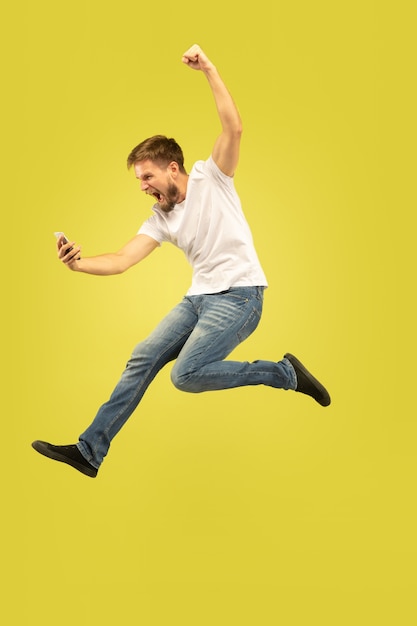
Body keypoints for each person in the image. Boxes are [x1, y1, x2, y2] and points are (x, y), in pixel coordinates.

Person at [32, 44, 331, 478]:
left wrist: (208, 68)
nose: (143, 187)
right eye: (139, 181)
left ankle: (284, 373)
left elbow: (235, 128)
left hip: (240, 298)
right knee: (142, 358)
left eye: (147, 177)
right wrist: (78, 264)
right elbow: (120, 260)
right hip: (198, 301)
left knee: (186, 375)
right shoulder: (161, 217)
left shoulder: (215, 178)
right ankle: (89, 451)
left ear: (173, 168)